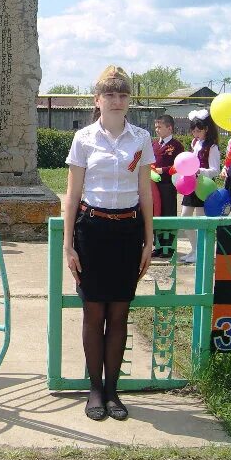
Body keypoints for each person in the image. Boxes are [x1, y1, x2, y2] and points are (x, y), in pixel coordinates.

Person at [62, 66, 154, 422]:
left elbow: (146, 192)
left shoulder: (141, 138)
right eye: (110, 95)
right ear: (97, 100)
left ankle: (113, 390)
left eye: (123, 95)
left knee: (119, 314)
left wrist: (149, 240)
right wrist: (68, 245)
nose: (117, 101)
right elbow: (72, 195)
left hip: (127, 233)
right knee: (93, 313)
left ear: (129, 101)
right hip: (92, 232)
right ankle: (95, 389)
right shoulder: (84, 138)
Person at [179, 109, 220, 263]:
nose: (196, 134)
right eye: (194, 131)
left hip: (204, 186)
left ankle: (201, 251)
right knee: (185, 218)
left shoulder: (213, 147)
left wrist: (199, 171)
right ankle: (195, 249)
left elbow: (215, 170)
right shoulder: (194, 143)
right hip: (190, 184)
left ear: (206, 129)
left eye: (199, 130)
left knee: (201, 220)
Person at [151, 115, 184, 258]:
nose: (157, 130)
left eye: (160, 127)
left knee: (168, 214)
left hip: (168, 185)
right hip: (153, 185)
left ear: (169, 128)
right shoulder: (154, 144)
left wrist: (163, 170)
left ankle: (169, 247)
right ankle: (158, 246)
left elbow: (180, 165)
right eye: (156, 127)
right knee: (156, 214)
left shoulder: (177, 145)